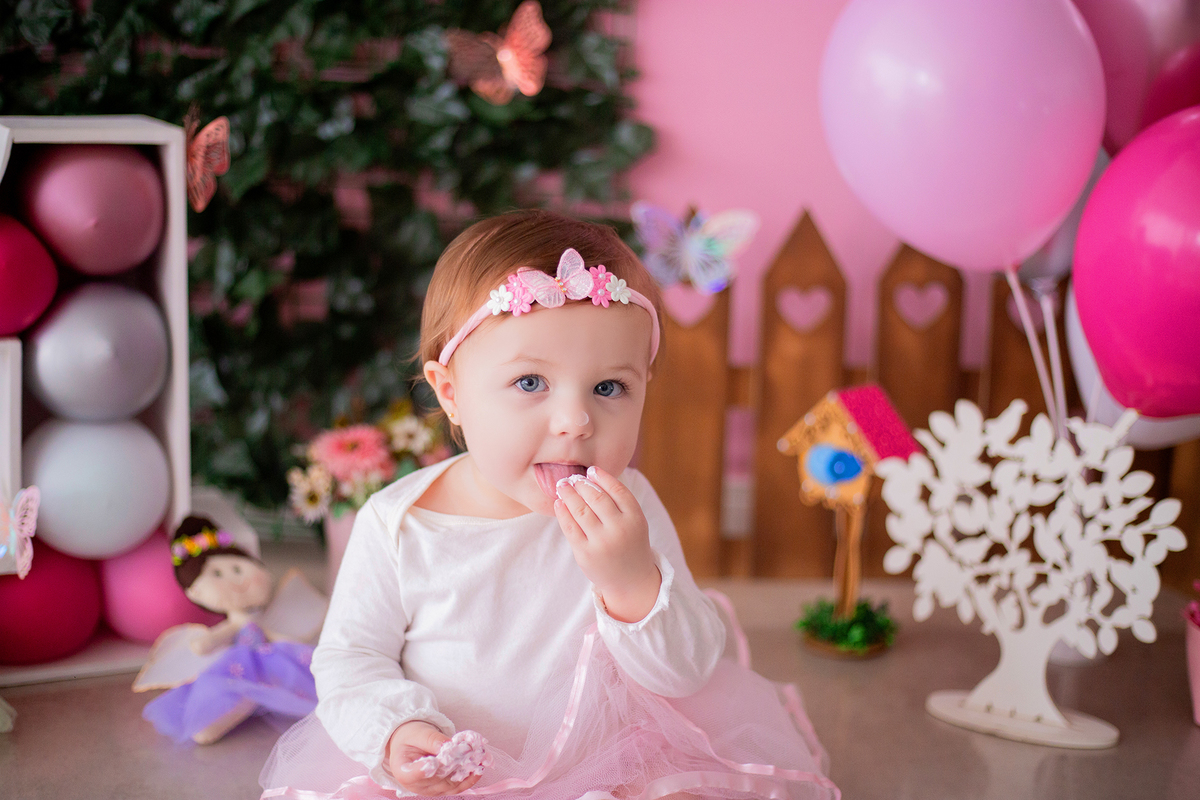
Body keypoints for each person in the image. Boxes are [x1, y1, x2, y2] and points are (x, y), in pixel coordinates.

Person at [260, 210, 838, 799]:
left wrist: (633, 581)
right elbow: (351, 659)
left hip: (614, 763)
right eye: (531, 382)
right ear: (451, 392)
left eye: (609, 388)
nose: (576, 422)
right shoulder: (399, 523)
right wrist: (397, 729)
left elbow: (685, 671)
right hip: (455, 772)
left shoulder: (629, 506)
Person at [142, 516, 318, 744]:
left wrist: (293, 643)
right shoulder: (234, 625)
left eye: (237, 568)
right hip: (239, 665)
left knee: (305, 676)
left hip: (273, 657)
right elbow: (207, 643)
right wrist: (209, 640)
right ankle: (221, 717)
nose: (236, 580)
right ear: (195, 592)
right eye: (217, 574)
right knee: (234, 693)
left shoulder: (262, 620)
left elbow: (277, 636)